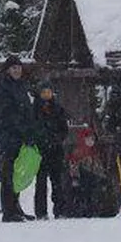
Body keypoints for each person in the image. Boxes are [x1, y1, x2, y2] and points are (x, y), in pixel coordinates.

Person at [0, 54, 41, 222]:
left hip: (20, 136)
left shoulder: (21, 86)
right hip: (7, 136)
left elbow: (26, 111)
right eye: (14, 68)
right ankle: (8, 211)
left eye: (19, 67)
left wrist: (30, 130)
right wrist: (22, 130)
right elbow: (6, 114)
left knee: (18, 173)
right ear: (8, 70)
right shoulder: (1, 87)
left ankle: (16, 207)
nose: (17, 70)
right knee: (8, 173)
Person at [32, 81, 69, 219]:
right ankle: (41, 212)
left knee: (57, 181)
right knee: (41, 182)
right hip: (40, 151)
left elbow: (64, 129)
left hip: (55, 150)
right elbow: (33, 127)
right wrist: (41, 139)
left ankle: (60, 210)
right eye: (44, 92)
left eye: (48, 92)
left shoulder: (58, 109)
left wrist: (57, 139)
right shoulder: (34, 109)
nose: (46, 95)